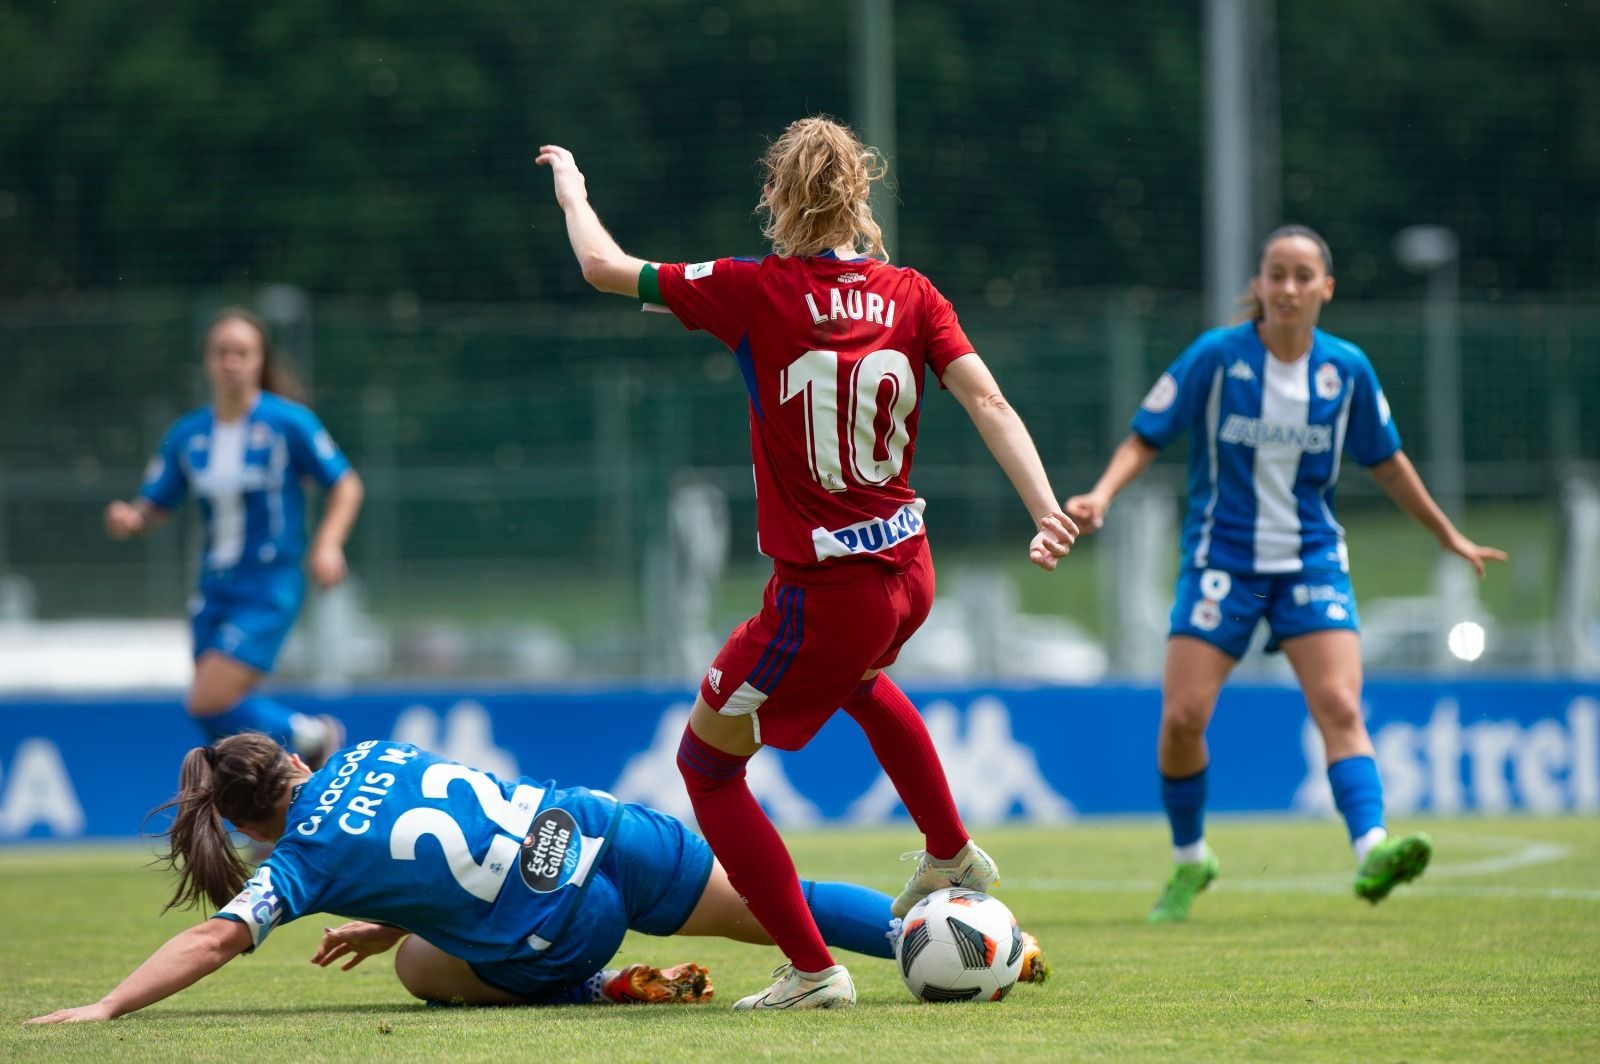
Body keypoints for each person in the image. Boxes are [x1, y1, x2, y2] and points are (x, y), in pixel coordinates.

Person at [536, 117, 1077, 1009]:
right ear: (862, 198)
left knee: (706, 769)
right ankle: (949, 848)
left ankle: (813, 969)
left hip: (823, 595)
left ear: (777, 199)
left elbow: (603, 268)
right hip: (910, 578)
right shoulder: (912, 293)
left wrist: (573, 193)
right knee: (859, 682)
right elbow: (988, 398)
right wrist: (1045, 508)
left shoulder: (758, 289)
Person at [1064, 225, 1507, 923]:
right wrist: (1101, 494)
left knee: (1339, 704)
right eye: (1278, 274)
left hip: (1310, 560)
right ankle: (1191, 860)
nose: (1290, 288)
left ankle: (1372, 850)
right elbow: (1147, 435)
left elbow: (1387, 460)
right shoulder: (1217, 357)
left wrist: (1447, 533)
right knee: (1182, 718)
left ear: (1326, 287)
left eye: (1304, 276)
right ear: (1261, 285)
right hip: (1224, 562)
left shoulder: (1346, 371)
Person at [24, 733, 1047, 1023]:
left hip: (560, 923)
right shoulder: (369, 748)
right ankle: (986, 936)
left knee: (419, 968)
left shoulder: (299, 858)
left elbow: (215, 938)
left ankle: (606, 985)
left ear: (249, 823)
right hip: (600, 825)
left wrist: (111, 1001)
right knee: (767, 910)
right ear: (292, 760)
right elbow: (431, 835)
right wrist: (382, 912)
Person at [104, 308, 363, 766]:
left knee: (206, 699)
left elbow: (345, 484)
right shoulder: (189, 434)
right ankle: (280, 809)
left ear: (259, 360)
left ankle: (313, 737)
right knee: (217, 721)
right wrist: (132, 517)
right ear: (207, 360)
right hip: (213, 588)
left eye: (242, 352)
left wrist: (328, 543)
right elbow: (156, 503)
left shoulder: (289, 423)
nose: (231, 362)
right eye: (222, 352)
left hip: (268, 584)